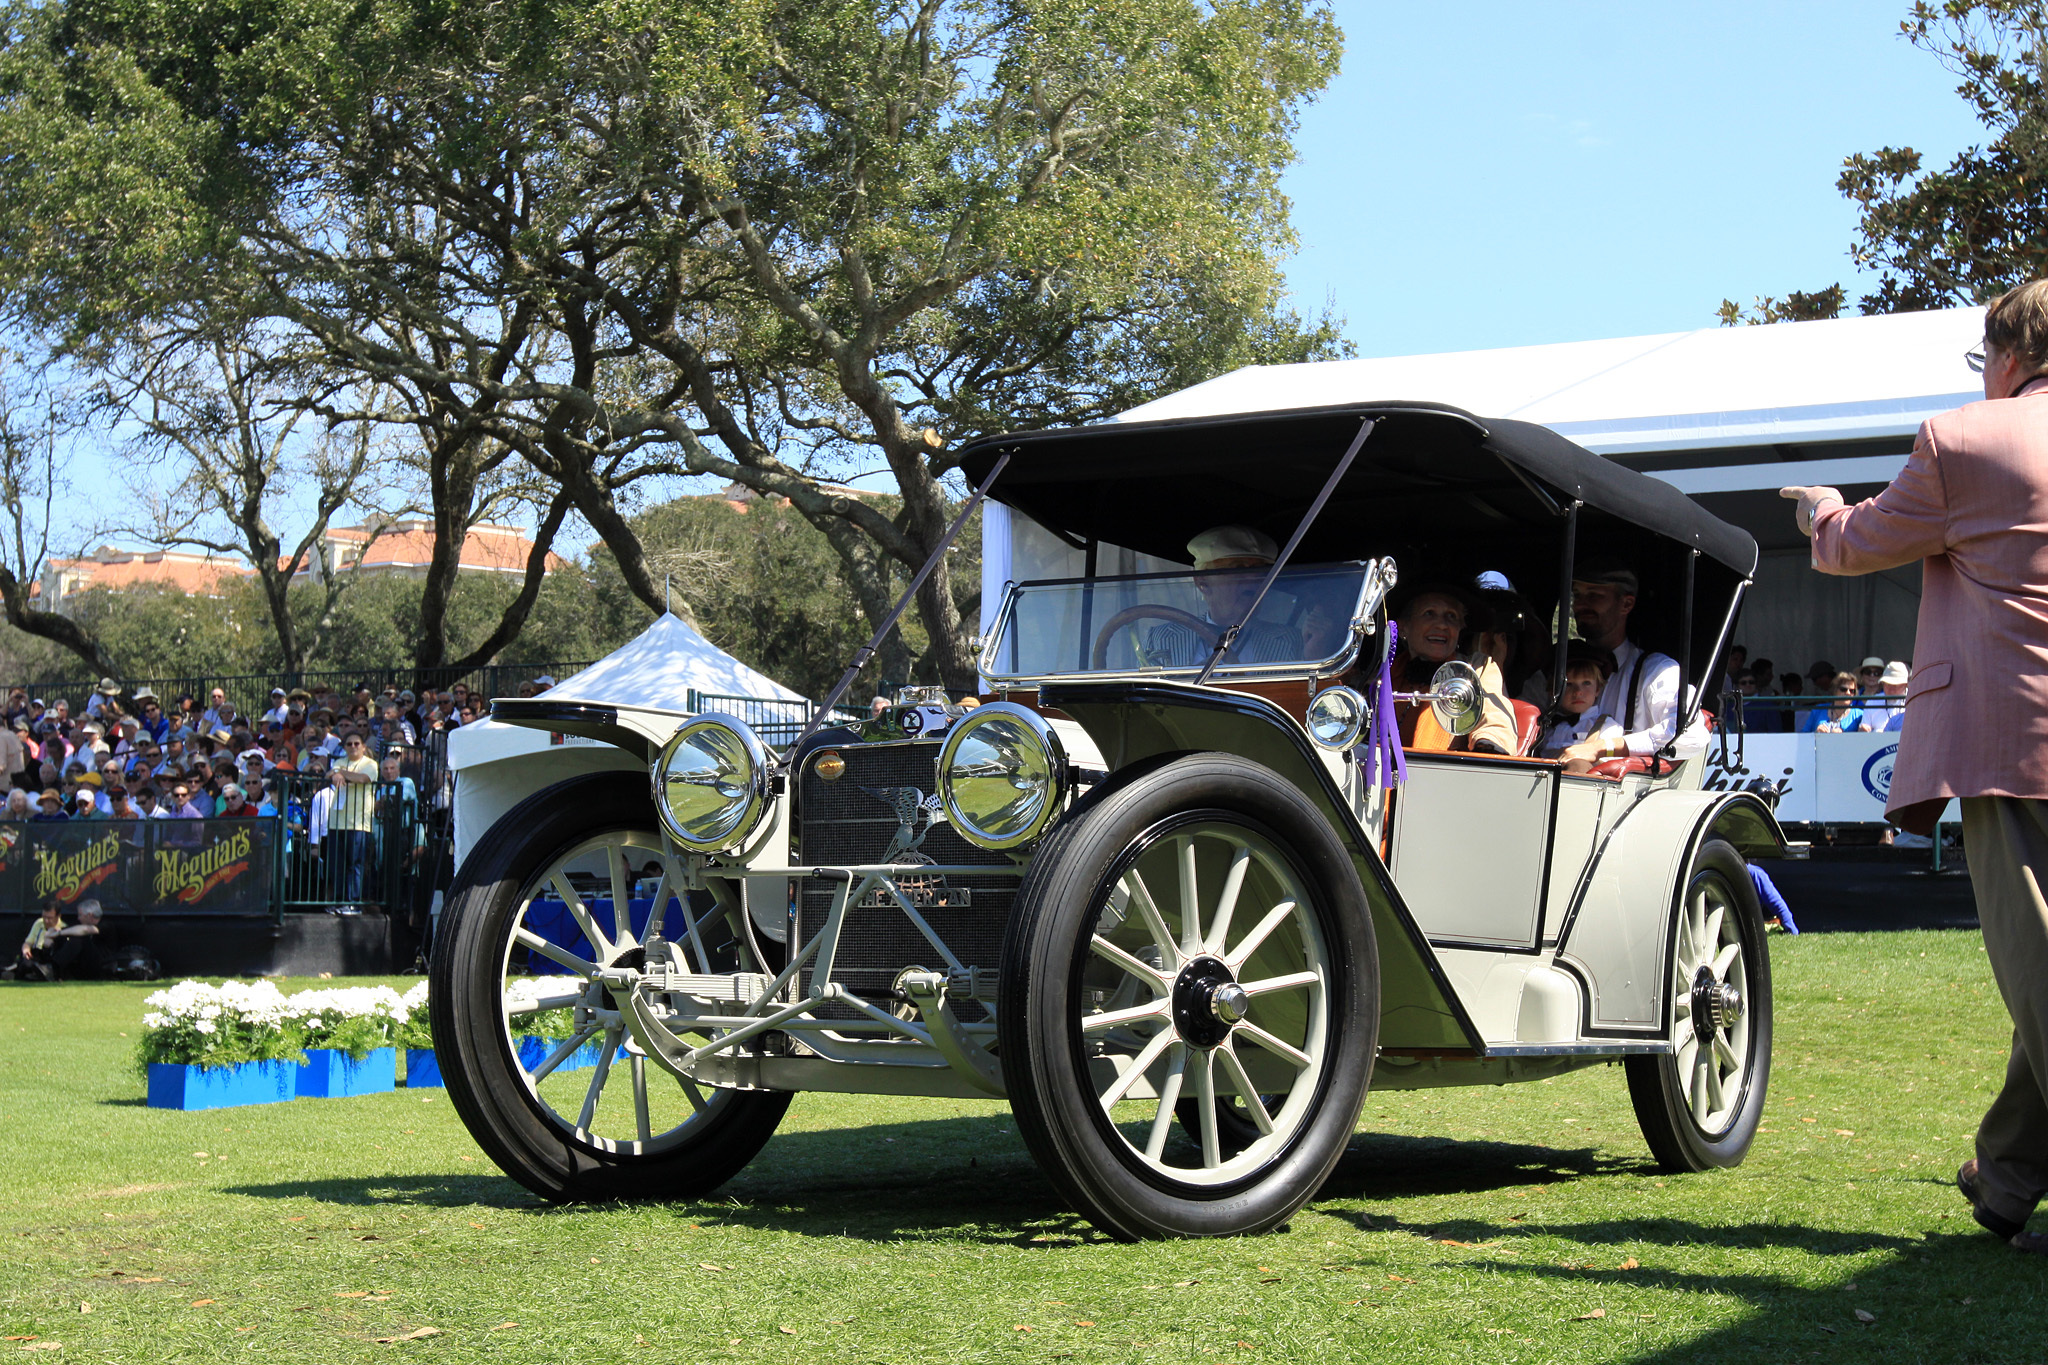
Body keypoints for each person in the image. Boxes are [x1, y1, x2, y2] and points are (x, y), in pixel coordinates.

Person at [1781, 278, 2048, 1256]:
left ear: (2005, 359)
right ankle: (2008, 1178)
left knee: (2036, 972)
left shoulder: (1962, 442)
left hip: (2012, 743)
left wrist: (1819, 508)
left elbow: (1857, 547)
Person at [1556, 558, 1709, 768]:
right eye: (1578, 595)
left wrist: (1604, 747)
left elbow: (1690, 735)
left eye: (1594, 595)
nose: (1581, 604)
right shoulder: (1557, 666)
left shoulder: (1656, 671)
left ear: (1626, 604)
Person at [1142, 526, 1301, 668]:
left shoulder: (1290, 639)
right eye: (1239, 569)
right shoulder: (1160, 638)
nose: (1253, 578)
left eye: (1260, 571)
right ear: (1203, 582)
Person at [1388, 584, 1517, 754]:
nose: (1442, 625)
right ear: (1403, 627)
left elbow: (1494, 719)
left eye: (1451, 616)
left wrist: (1488, 745)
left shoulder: (1476, 669)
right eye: (1429, 613)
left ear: (1459, 628)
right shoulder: (1384, 674)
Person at [1538, 645, 1623, 773]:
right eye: (1569, 684)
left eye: (1586, 683)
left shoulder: (1607, 728)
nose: (1578, 692)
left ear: (1598, 689)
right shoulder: (1543, 726)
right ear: (1552, 690)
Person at [327, 732, 379, 912]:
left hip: (358, 823)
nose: (353, 746)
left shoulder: (370, 764)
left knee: (355, 864)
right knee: (338, 865)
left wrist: (340, 773)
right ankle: (340, 901)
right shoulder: (340, 761)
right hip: (336, 822)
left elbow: (363, 778)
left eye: (357, 743)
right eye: (349, 744)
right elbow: (330, 775)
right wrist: (336, 773)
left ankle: (353, 902)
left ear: (364, 746)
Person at [1798, 671, 1865, 733]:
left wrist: (1844, 735)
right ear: (1835, 690)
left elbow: (1863, 740)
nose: (1848, 693)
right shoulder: (1818, 710)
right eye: (1843, 689)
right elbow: (1804, 734)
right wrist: (1816, 732)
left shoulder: (1859, 714)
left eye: (1852, 691)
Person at [13, 901, 63, 981]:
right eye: (44, 917)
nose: (46, 921)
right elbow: (28, 942)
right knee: (26, 963)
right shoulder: (39, 923)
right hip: (34, 956)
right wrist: (26, 950)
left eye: (50, 918)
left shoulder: (63, 929)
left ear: (58, 916)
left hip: (48, 960)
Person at [1870, 661, 1911, 732]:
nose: (1891, 689)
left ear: (1906, 685)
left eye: (1896, 685)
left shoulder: (1914, 701)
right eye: (1888, 685)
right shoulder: (1872, 701)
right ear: (1883, 684)